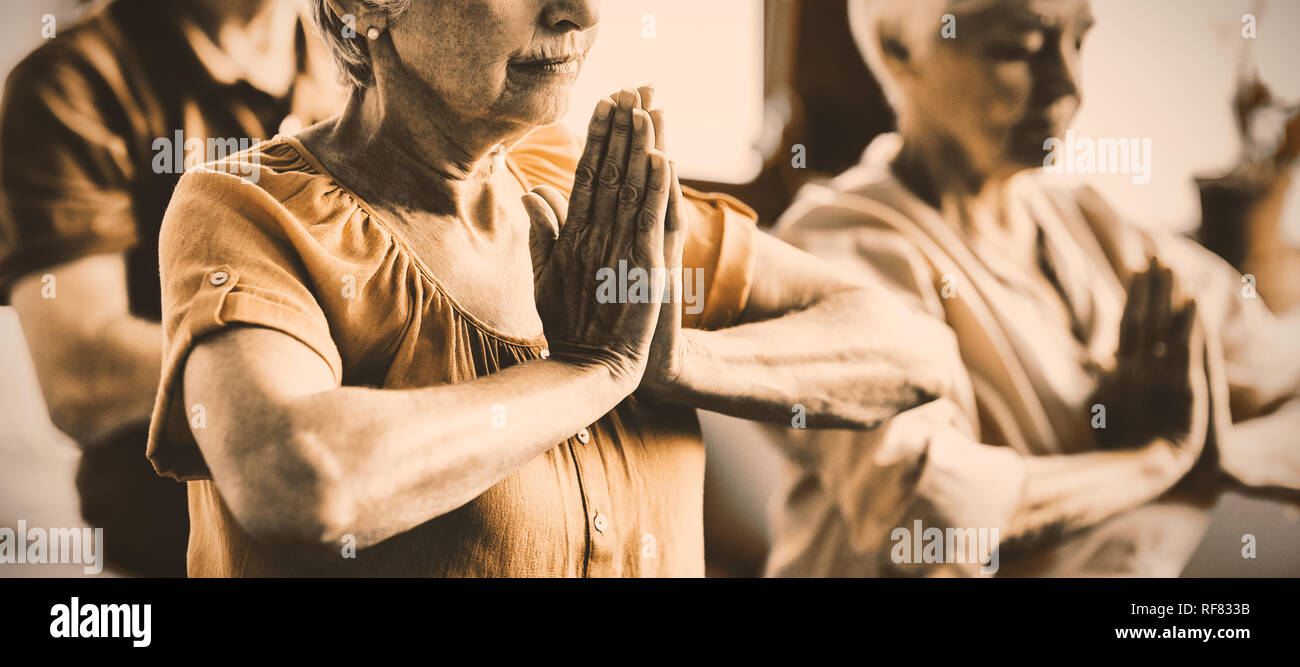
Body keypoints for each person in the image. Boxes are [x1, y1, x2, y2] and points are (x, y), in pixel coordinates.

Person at [145, 0, 962, 577]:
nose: (582, 11)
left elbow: (913, 350)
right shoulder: (248, 208)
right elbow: (300, 478)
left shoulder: (586, 184)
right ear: (369, 6)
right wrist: (590, 369)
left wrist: (669, 365)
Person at [767, 0, 1300, 577]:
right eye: (1017, 49)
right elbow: (923, 517)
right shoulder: (837, 249)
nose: (1069, 86)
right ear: (901, 52)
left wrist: (1217, 453)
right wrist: (1154, 459)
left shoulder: (1097, 231)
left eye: (1079, 43)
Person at [0, 0, 343, 576]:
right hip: (166, 556)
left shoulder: (359, 62)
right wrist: (324, 361)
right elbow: (83, 377)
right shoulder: (71, 84)